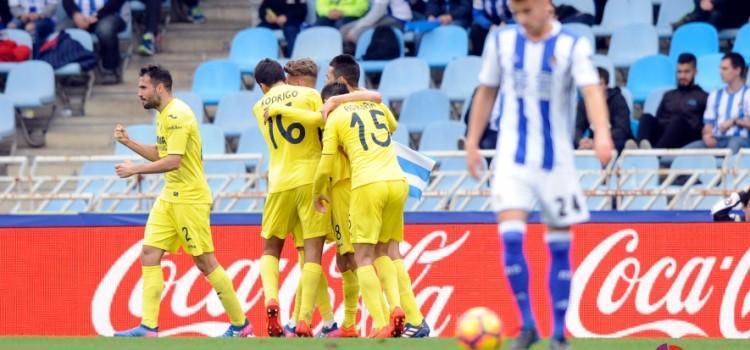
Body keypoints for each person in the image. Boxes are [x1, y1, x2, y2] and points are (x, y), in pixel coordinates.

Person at [465, 0, 613, 349]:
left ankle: (559, 334)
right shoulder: (501, 42)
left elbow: (591, 90)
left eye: (526, 11)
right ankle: (528, 324)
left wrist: (602, 133)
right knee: (511, 238)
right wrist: (472, 141)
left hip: (556, 161)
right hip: (512, 158)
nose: (521, 19)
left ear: (546, 6)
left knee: (559, 246)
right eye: (515, 13)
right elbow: (486, 90)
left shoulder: (571, 44)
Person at [111, 65, 253, 338]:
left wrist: (134, 170)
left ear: (159, 88)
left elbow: (174, 162)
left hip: (189, 198)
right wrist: (129, 142)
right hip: (170, 196)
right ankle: (148, 326)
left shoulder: (177, 114)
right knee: (150, 253)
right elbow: (161, 153)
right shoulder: (163, 115)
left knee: (205, 262)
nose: (138, 93)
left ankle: (241, 324)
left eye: (143, 87)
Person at [313, 82, 406, 338]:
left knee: (362, 257)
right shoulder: (375, 105)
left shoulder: (335, 118)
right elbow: (392, 125)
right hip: (397, 181)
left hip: (365, 184)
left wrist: (317, 192)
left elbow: (325, 165)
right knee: (384, 250)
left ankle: (380, 324)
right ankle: (397, 307)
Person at [252, 58, 331, 337]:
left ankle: (271, 300)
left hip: (278, 182)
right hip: (310, 180)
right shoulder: (309, 94)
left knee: (270, 249)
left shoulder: (259, 106)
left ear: (262, 85)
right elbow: (324, 130)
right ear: (284, 78)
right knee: (312, 253)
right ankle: (305, 319)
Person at [275, 57, 340, 338]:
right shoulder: (317, 99)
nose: (286, 84)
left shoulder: (315, 99)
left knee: (313, 256)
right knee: (307, 257)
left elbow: (320, 121)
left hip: (314, 186)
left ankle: (300, 320)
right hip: (319, 183)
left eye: (289, 78)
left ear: (300, 80)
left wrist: (279, 107)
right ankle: (328, 322)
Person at [636, 53, 708, 149]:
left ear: (695, 72)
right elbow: (658, 119)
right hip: (664, 135)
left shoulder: (703, 96)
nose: (682, 76)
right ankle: (638, 150)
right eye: (679, 72)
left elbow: (703, 126)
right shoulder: (669, 95)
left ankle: (654, 154)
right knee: (646, 117)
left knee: (678, 121)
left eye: (686, 72)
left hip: (686, 136)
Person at [684, 52, 749, 154]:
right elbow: (708, 124)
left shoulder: (747, 94)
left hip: (740, 139)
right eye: (720, 68)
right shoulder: (715, 95)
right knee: (687, 151)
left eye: (725, 69)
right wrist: (707, 137)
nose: (720, 72)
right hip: (717, 139)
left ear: (737, 70)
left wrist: (735, 121)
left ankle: (727, 169)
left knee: (733, 145)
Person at [61, 0, 126, 84]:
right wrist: (75, 14)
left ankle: (110, 70)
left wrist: (97, 16)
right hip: (78, 16)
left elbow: (116, 2)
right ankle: (74, 70)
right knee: (61, 31)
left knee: (105, 30)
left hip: (109, 14)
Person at [574, 67, 631, 153]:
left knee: (619, 141)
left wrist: (598, 141)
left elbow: (621, 129)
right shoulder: (584, 103)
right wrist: (581, 140)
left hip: (615, 140)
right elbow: (577, 127)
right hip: (593, 140)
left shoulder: (617, 100)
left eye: (599, 84)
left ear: (606, 86)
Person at [339, 0, 412, 45]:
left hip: (397, 20)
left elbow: (377, 13)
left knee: (357, 33)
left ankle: (367, 57)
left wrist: (356, 28)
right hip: (383, 17)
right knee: (344, 29)